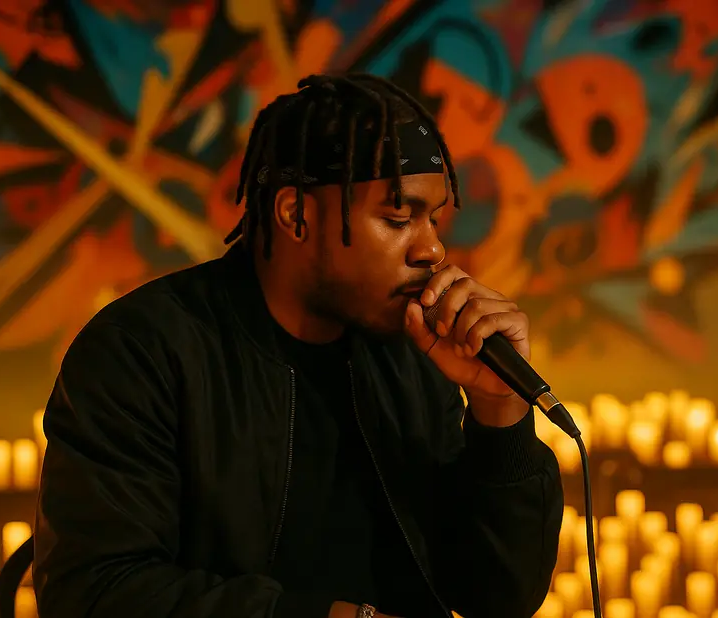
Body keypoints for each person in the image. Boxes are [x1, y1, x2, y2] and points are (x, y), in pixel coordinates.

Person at [33, 73, 563, 618]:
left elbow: (499, 597)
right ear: (296, 215)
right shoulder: (143, 353)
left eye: (433, 220)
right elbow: (93, 593)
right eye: (398, 218)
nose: (432, 248)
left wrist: (501, 413)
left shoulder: (413, 351)